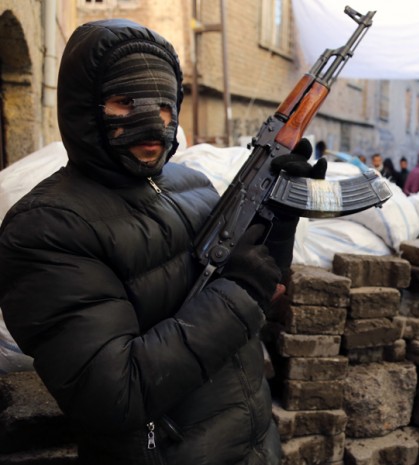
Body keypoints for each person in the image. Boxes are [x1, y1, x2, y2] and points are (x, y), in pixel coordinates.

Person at [0, 19, 325, 465]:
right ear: (84, 108)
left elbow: (254, 290)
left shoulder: (189, 184)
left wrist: (280, 217)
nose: (154, 123)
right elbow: (115, 394)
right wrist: (239, 291)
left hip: (252, 444)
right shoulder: (46, 228)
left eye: (165, 105)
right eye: (125, 102)